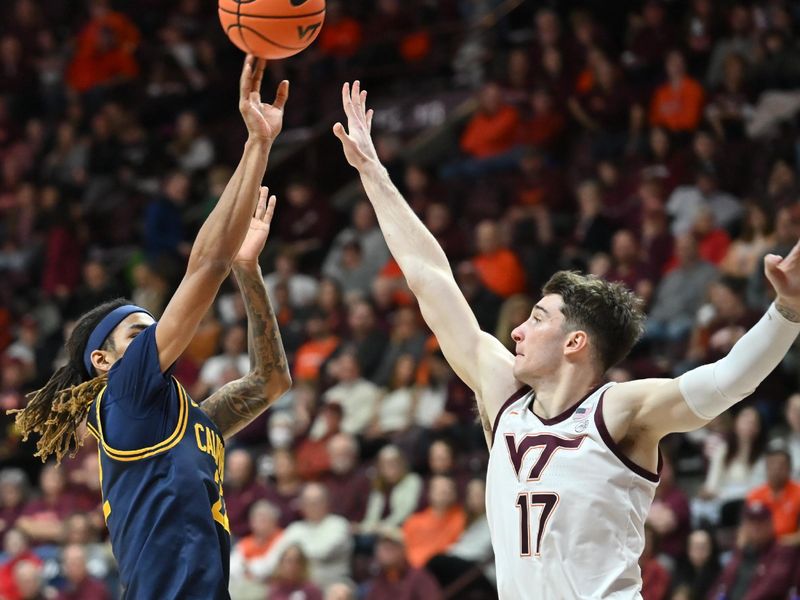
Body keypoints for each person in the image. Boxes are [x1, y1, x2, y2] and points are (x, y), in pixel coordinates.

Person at [333, 79, 800, 598]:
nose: (516, 330)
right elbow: (428, 277)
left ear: (575, 342)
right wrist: (374, 175)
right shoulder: (505, 398)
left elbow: (726, 382)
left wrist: (787, 310)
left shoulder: (618, 411)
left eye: (536, 318)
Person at [9, 56, 292, 599]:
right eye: (138, 334)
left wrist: (249, 272)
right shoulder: (124, 393)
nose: (156, 338)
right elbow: (204, 266)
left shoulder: (184, 421)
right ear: (104, 359)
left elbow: (270, 383)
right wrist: (257, 145)